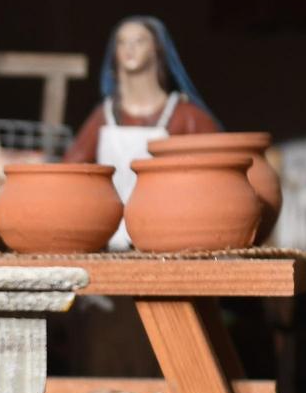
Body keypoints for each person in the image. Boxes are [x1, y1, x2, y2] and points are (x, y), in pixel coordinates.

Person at [64, 16, 221, 249]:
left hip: (167, 234)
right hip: (112, 236)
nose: (129, 49)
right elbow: (70, 170)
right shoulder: (104, 115)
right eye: (122, 42)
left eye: (139, 41)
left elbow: (219, 172)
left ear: (157, 48)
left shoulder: (185, 116)